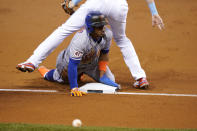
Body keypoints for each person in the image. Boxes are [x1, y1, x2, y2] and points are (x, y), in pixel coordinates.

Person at [16, 0, 164, 89]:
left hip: (97, 2)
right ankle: (140, 78)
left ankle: (33, 62)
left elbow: (73, 4)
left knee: (63, 30)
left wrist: (73, 3)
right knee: (122, 40)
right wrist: (154, 12)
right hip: (119, 5)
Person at [38, 12, 119, 96]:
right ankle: (47, 73)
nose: (102, 29)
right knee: (63, 80)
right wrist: (74, 87)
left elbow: (104, 54)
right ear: (90, 28)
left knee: (110, 79)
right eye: (98, 27)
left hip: (91, 63)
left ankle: (80, 73)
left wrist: (101, 75)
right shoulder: (80, 40)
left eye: (102, 26)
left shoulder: (107, 34)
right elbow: (73, 64)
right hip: (68, 63)